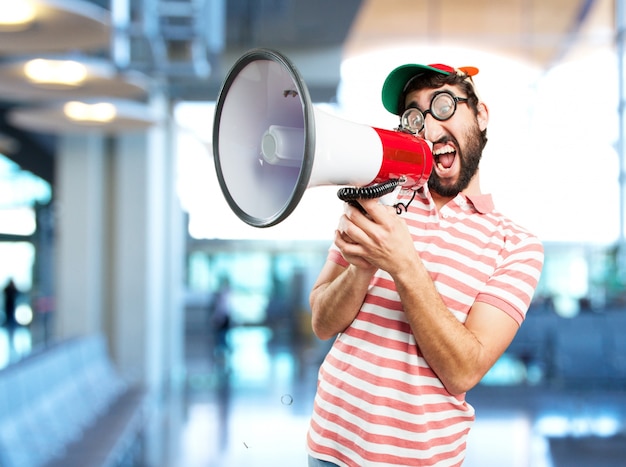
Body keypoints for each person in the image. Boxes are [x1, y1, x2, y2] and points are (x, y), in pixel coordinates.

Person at [306, 63, 544, 466]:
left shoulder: (516, 246)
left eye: (444, 105)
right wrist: (363, 266)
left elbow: (464, 370)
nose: (430, 129)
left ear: (481, 115)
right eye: (415, 117)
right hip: (328, 445)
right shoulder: (378, 199)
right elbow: (321, 322)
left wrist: (402, 263)